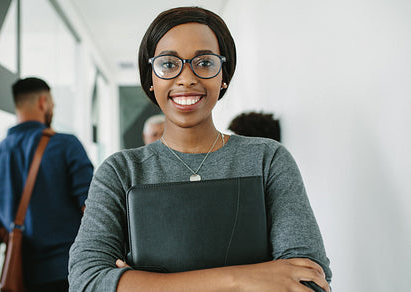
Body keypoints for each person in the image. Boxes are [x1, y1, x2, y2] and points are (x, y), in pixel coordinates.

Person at [68, 7, 331, 292]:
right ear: (151, 79)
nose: (187, 78)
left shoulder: (267, 159)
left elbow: (309, 281)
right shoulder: (120, 172)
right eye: (168, 64)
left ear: (224, 76)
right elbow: (87, 282)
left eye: (204, 62)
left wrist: (140, 283)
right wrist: (241, 279)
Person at [0, 77, 93, 291]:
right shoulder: (65, 145)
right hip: (69, 271)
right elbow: (91, 206)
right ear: (43, 102)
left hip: (22, 276)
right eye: (52, 103)